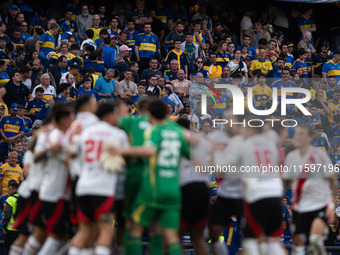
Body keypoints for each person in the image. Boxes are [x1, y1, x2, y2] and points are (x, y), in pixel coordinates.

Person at [112, 99, 190, 255]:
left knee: (132, 224)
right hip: (172, 186)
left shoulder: (143, 126)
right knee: (163, 231)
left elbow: (112, 120)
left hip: (144, 179)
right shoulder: (175, 129)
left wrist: (120, 150)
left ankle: (124, 250)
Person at [68, 101, 129, 255]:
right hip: (103, 188)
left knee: (85, 233)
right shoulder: (117, 133)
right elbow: (127, 159)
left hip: (83, 187)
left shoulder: (86, 132)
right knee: (107, 232)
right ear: (110, 115)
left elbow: (71, 154)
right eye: (116, 114)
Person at [284, 125, 337, 255]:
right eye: (297, 134)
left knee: (315, 240)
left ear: (309, 138)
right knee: (299, 243)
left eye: (301, 134)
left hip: (318, 204)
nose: (298, 136)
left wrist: (330, 204)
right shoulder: (291, 157)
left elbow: (332, 180)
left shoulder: (320, 155)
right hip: (299, 206)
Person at [36, 104, 75, 255]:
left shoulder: (62, 135)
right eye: (71, 116)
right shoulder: (56, 136)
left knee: (64, 236)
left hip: (59, 192)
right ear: (64, 119)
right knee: (56, 237)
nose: (74, 119)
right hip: (55, 193)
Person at [3, 180, 19, 253]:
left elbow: (7, 215)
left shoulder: (10, 199)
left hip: (11, 230)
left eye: (9, 189)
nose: (7, 191)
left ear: (14, 189)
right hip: (20, 229)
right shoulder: (22, 199)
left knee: (9, 250)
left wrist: (4, 227)